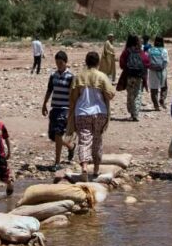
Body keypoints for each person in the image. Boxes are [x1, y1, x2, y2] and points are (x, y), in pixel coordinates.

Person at [68, 51, 114, 180]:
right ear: (98, 62)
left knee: (84, 140)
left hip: (82, 112)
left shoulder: (78, 77)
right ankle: (96, 169)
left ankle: (84, 167)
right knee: (97, 140)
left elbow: (73, 97)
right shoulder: (102, 77)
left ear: (86, 62)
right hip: (100, 112)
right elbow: (110, 94)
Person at [42, 51, 75, 166]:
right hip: (54, 108)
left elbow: (73, 94)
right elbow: (49, 90)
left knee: (58, 133)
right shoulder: (53, 75)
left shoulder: (71, 77)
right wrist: (44, 104)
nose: (59, 65)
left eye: (61, 63)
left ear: (65, 62)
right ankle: (70, 146)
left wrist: (72, 110)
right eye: (57, 63)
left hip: (65, 109)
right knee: (53, 136)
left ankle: (57, 163)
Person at [119, 34, 151, 121]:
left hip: (129, 76)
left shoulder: (126, 51)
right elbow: (147, 62)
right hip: (139, 76)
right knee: (138, 94)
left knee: (130, 94)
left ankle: (132, 112)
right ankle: (136, 113)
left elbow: (122, 64)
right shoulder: (140, 51)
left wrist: (127, 68)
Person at [147, 37, 170, 111]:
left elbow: (147, 60)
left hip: (152, 72)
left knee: (154, 89)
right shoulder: (164, 50)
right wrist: (162, 68)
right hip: (162, 72)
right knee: (164, 87)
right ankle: (162, 99)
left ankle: (156, 105)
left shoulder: (150, 50)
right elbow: (166, 61)